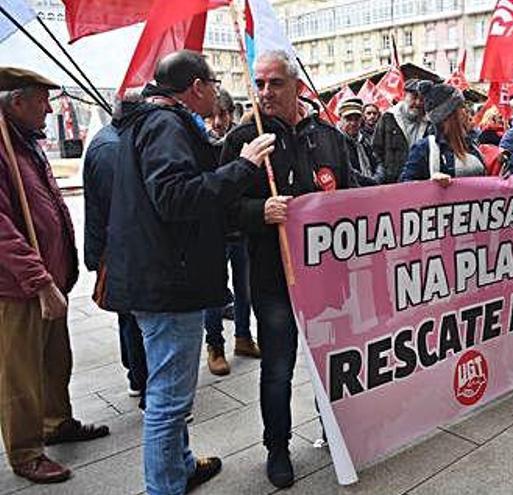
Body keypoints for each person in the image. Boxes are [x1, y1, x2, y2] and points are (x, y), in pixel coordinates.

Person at [104, 51, 275, 494]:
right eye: (214, 83)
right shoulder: (164, 124)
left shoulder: (156, 121)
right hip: (167, 281)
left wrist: (228, 156)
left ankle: (178, 467)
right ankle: (164, 487)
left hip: (158, 276)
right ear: (196, 87)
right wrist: (244, 167)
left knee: (171, 391)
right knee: (168, 399)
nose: (218, 92)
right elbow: (176, 197)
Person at [221, 50, 351, 488]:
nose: (264, 93)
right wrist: (261, 210)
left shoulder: (329, 136)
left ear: (297, 86)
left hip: (327, 279)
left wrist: (429, 190)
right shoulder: (245, 137)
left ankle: (337, 430)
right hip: (273, 278)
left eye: (274, 83)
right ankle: (277, 447)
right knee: (278, 367)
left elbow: (356, 195)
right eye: (258, 84)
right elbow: (219, 208)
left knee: (334, 361)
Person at [0, 67, 110, 485]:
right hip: (19, 288)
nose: (50, 108)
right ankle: (26, 452)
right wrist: (40, 280)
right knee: (20, 373)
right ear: (17, 101)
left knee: (53, 361)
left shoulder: (24, 142)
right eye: (42, 100)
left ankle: (55, 422)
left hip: (47, 279)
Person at [83, 95, 149, 405]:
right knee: (133, 315)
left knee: (129, 315)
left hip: (116, 245)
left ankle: (136, 375)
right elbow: (123, 206)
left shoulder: (113, 141)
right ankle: (140, 377)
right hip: (119, 248)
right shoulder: (111, 149)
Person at [203, 89, 261, 377]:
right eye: (212, 116)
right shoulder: (199, 141)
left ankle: (243, 336)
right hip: (213, 230)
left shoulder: (241, 139)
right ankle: (215, 345)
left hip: (239, 227)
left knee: (244, 286)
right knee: (214, 291)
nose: (217, 122)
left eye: (222, 115)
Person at [400, 83, 485, 182]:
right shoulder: (424, 148)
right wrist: (429, 184)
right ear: (448, 116)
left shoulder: (472, 143)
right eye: (461, 106)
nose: (467, 111)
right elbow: (405, 188)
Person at [373, 79, 430, 183]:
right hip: (393, 184)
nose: (417, 103)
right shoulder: (388, 118)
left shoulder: (429, 122)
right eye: (414, 97)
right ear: (404, 96)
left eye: (421, 99)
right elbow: (376, 151)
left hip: (421, 183)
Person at [338, 97, 384, 186]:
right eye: (349, 119)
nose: (353, 123)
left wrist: (378, 178)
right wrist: (370, 181)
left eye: (356, 119)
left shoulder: (365, 139)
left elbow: (377, 161)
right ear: (341, 119)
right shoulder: (336, 142)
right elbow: (347, 170)